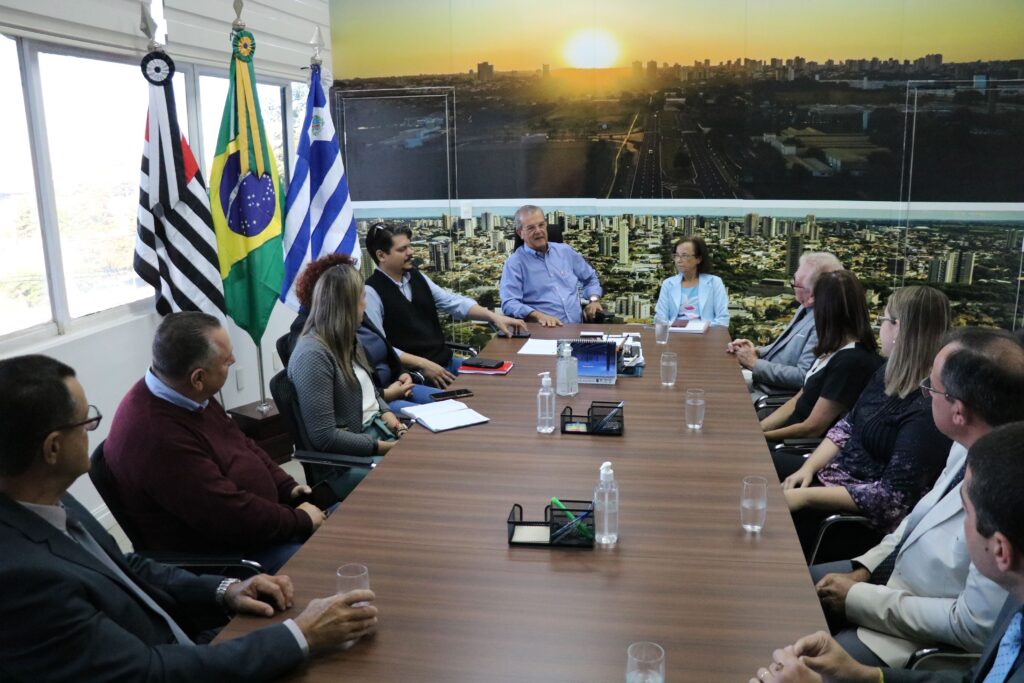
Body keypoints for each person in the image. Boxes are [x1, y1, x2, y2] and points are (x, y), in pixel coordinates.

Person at [0, 354, 379, 683]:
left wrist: (224, 590)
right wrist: (301, 636)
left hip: (185, 639)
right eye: (86, 421)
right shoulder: (23, 580)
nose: (91, 429)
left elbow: (124, 566)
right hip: (172, 662)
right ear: (52, 448)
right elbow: (149, 673)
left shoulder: (46, 498)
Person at [805, 328, 1024, 669]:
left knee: (803, 662)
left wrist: (861, 598)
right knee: (788, 587)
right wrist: (865, 570)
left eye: (932, 388)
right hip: (885, 581)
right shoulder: (964, 446)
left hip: (914, 640)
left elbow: (973, 626)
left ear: (959, 411)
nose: (925, 394)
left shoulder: (1006, 488)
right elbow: (917, 521)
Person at [750, 421, 1024, 683]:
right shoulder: (1016, 606)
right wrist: (864, 676)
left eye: (965, 513)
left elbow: (970, 630)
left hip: (912, 634)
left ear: (1001, 550)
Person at [105, 312, 325, 574]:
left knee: (348, 524)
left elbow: (243, 444)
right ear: (197, 378)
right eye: (225, 361)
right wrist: (299, 521)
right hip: (232, 559)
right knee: (335, 563)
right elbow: (230, 515)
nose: (233, 360)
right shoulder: (158, 436)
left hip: (261, 529)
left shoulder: (187, 394)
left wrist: (287, 487)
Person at [773, 286, 953, 558]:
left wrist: (805, 496)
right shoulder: (886, 373)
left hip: (851, 521)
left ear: (899, 327)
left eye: (883, 320)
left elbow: (890, 499)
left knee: (766, 513)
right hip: (831, 479)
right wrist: (808, 468)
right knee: (754, 466)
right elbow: (847, 427)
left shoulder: (927, 409)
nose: (879, 327)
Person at [365, 222, 527, 388]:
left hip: (444, 362)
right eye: (402, 249)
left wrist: (494, 317)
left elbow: (452, 302)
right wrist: (423, 364)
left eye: (410, 246)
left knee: (501, 380)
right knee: (463, 402)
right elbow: (381, 347)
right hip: (413, 376)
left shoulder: (416, 276)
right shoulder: (371, 292)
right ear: (381, 255)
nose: (411, 252)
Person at [287, 253, 441, 411]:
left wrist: (401, 373)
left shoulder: (356, 313)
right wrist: (387, 394)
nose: (364, 303)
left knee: (451, 405)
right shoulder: (309, 339)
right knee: (436, 418)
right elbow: (344, 396)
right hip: (374, 404)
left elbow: (386, 349)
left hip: (398, 387)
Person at [289, 264, 406, 468]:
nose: (365, 304)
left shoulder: (348, 338)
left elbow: (372, 395)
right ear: (348, 305)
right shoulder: (312, 355)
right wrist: (388, 448)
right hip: (351, 460)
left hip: (378, 435)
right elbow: (325, 437)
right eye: (362, 298)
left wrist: (397, 427)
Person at [761, 270, 882, 442]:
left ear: (826, 310)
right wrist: (760, 429)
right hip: (787, 436)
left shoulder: (851, 362)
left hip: (798, 447)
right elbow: (797, 400)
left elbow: (813, 428)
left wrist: (762, 438)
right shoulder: (831, 349)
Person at [728, 252, 843, 401]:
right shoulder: (807, 308)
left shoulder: (825, 321)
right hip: (762, 386)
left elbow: (804, 377)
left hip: (772, 398)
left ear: (813, 294)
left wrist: (754, 363)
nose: (793, 287)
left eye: (795, 284)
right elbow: (784, 350)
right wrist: (754, 351)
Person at [499, 204, 604, 326]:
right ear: (520, 233)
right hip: (543, 334)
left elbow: (590, 278)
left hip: (577, 331)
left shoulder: (565, 251)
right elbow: (509, 303)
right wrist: (538, 316)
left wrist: (594, 300)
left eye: (541, 225)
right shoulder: (514, 263)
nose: (538, 231)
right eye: (531, 228)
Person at [654, 236, 730, 327]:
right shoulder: (668, 284)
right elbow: (660, 319)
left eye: (684, 256)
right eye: (676, 255)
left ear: (698, 259)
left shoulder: (715, 283)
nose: (679, 260)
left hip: (706, 336)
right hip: (674, 335)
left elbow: (723, 320)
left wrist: (697, 328)